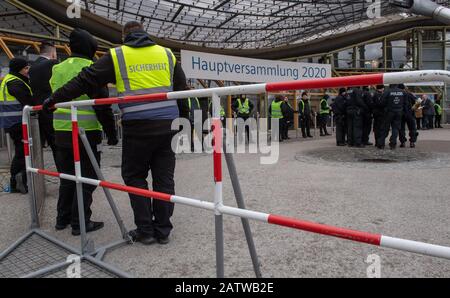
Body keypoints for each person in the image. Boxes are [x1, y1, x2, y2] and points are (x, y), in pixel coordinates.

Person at [44, 22, 187, 245]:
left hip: (137, 127)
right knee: (164, 178)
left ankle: (146, 231)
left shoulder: (118, 55)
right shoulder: (167, 54)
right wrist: (184, 124)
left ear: (124, 36)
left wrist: (54, 99)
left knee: (134, 176)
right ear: (145, 34)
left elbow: (85, 79)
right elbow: (182, 90)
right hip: (167, 125)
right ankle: (163, 230)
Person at [48, 28, 118, 236]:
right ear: (91, 47)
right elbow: (102, 106)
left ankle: (62, 219)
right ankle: (80, 222)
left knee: (67, 176)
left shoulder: (57, 68)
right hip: (86, 132)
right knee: (87, 178)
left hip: (61, 130)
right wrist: (111, 133)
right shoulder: (92, 67)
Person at [0, 58, 35, 194]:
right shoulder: (15, 82)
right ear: (19, 69)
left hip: (13, 122)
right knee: (21, 153)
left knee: (21, 151)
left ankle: (19, 180)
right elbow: (28, 101)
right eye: (26, 68)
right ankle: (16, 181)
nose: (28, 71)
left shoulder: (9, 79)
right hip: (17, 122)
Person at [29, 41, 59, 162]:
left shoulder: (32, 67)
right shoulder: (52, 64)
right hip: (52, 110)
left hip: (39, 110)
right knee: (59, 147)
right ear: (52, 53)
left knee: (51, 145)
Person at [379, 84, 408, 150]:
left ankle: (381, 144)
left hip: (389, 112)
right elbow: (406, 103)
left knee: (385, 128)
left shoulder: (387, 91)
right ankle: (393, 144)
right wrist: (404, 112)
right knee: (395, 128)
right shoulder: (403, 92)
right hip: (399, 112)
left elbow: (382, 102)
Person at [178, 87, 203, 151]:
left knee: (194, 132)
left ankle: (198, 146)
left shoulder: (192, 98)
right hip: (192, 117)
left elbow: (196, 107)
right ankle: (193, 146)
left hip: (194, 117)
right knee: (192, 132)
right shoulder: (193, 98)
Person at [398, 84, 418, 148]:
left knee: (401, 129)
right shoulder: (409, 94)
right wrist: (414, 108)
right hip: (410, 114)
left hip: (401, 114)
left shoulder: (398, 95)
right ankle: (412, 142)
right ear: (404, 88)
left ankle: (403, 142)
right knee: (412, 128)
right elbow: (417, 102)